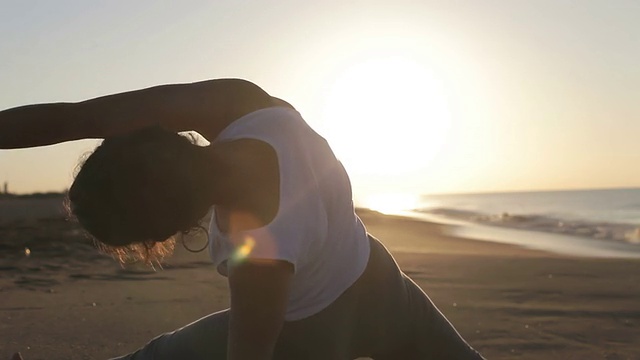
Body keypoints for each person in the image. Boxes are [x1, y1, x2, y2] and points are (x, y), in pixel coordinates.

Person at [1, 79, 485, 360]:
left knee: (161, 358)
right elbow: (74, 118)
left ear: (168, 233)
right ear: (143, 135)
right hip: (380, 281)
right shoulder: (239, 103)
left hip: (313, 330)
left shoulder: (254, 246)